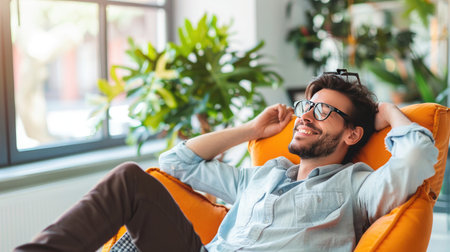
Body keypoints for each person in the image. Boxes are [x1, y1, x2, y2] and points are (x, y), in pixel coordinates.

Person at [15, 69, 438, 252]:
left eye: (324, 110)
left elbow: (418, 157)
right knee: (130, 179)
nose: (306, 114)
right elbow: (177, 161)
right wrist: (252, 131)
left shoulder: (359, 188)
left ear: (352, 134)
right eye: (306, 105)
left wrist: (390, 114)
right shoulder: (262, 176)